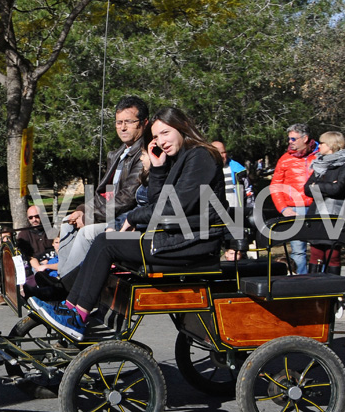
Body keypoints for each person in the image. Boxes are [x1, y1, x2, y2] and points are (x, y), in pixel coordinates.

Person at [29, 107, 225, 340]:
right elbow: (157, 201)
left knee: (106, 243)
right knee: (104, 241)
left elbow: (174, 208)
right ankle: (71, 307)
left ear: (181, 127)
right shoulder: (178, 158)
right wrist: (159, 168)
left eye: (165, 133)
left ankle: (77, 314)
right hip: (173, 236)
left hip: (192, 242)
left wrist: (134, 217)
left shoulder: (200, 156)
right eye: (156, 137)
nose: (161, 142)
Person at [58, 95, 150, 281]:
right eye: (118, 122)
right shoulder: (118, 154)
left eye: (129, 122)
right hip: (109, 215)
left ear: (144, 123)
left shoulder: (144, 154)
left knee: (86, 232)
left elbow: (126, 198)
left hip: (126, 222)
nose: (122, 127)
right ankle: (61, 279)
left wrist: (90, 216)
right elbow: (105, 193)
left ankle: (67, 289)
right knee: (67, 222)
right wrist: (82, 210)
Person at [302, 131, 345, 274]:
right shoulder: (319, 163)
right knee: (316, 253)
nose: (319, 146)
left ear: (332, 145)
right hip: (317, 213)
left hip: (335, 214)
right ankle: (313, 288)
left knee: (333, 254)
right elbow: (307, 188)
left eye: (323, 143)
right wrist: (328, 186)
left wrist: (317, 187)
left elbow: (339, 188)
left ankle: (333, 291)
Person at [270, 123, 318, 274]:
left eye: (293, 138)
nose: (290, 141)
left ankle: (321, 284)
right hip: (294, 209)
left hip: (317, 207)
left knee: (320, 249)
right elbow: (275, 186)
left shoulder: (320, 156)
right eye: (289, 138)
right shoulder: (285, 159)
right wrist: (283, 208)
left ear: (305, 138)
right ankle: (300, 283)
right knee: (298, 251)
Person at [211, 141, 254, 210]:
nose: (221, 156)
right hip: (215, 215)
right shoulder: (205, 172)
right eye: (217, 153)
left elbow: (248, 191)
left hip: (236, 213)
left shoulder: (238, 170)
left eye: (223, 152)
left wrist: (250, 210)